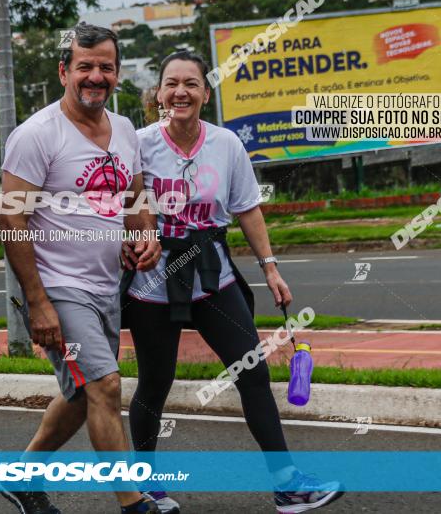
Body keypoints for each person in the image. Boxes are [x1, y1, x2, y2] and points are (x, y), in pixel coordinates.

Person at [121, 51, 345, 514]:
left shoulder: (226, 144)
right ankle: (145, 485)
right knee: (155, 381)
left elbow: (247, 208)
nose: (180, 91)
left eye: (191, 83)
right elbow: (121, 203)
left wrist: (270, 268)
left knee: (253, 372)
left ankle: (287, 485)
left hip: (212, 276)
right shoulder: (138, 143)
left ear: (206, 91)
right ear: (158, 93)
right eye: (171, 83)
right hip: (153, 281)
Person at [0, 22, 162, 514]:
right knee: (107, 385)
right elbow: (12, 217)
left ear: (116, 74)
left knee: (82, 394)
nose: (95, 76)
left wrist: (145, 232)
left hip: (105, 287)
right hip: (58, 289)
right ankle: (135, 503)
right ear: (64, 70)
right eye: (85, 66)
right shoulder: (36, 135)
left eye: (105, 68)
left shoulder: (127, 130)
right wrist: (38, 302)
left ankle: (22, 477)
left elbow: (135, 196)